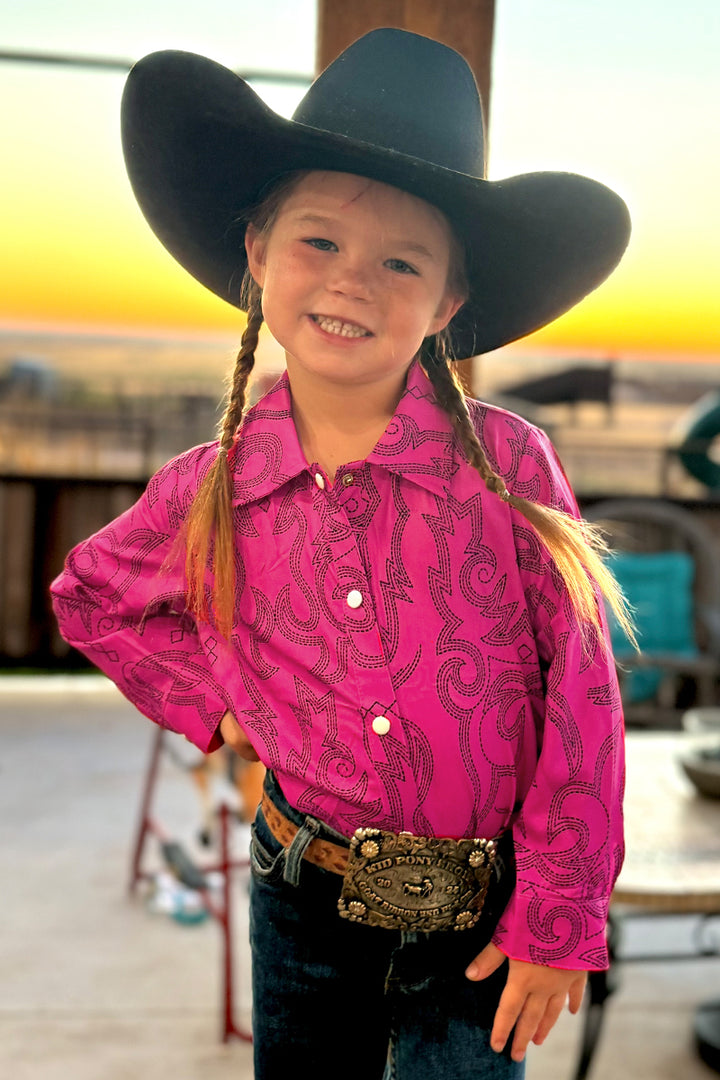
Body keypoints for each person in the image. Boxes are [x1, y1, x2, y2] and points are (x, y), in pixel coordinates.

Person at [51, 28, 633, 1079]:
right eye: (319, 242)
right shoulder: (213, 488)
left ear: (447, 303)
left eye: (401, 261)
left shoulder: (510, 468)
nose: (353, 281)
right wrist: (222, 706)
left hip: (482, 921)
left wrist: (559, 918)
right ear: (257, 254)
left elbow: (581, 694)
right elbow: (91, 596)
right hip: (301, 898)